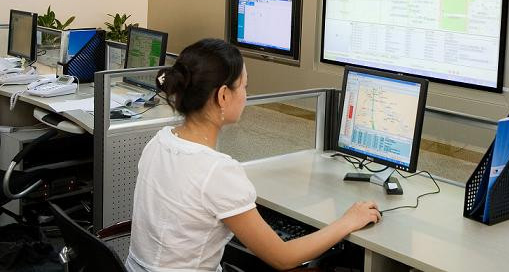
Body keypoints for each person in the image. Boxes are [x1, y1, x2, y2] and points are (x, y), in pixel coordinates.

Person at [126, 38, 381, 272]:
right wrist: (348, 221)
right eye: (244, 87)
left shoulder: (159, 141)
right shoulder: (217, 171)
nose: (246, 96)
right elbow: (283, 257)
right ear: (223, 96)